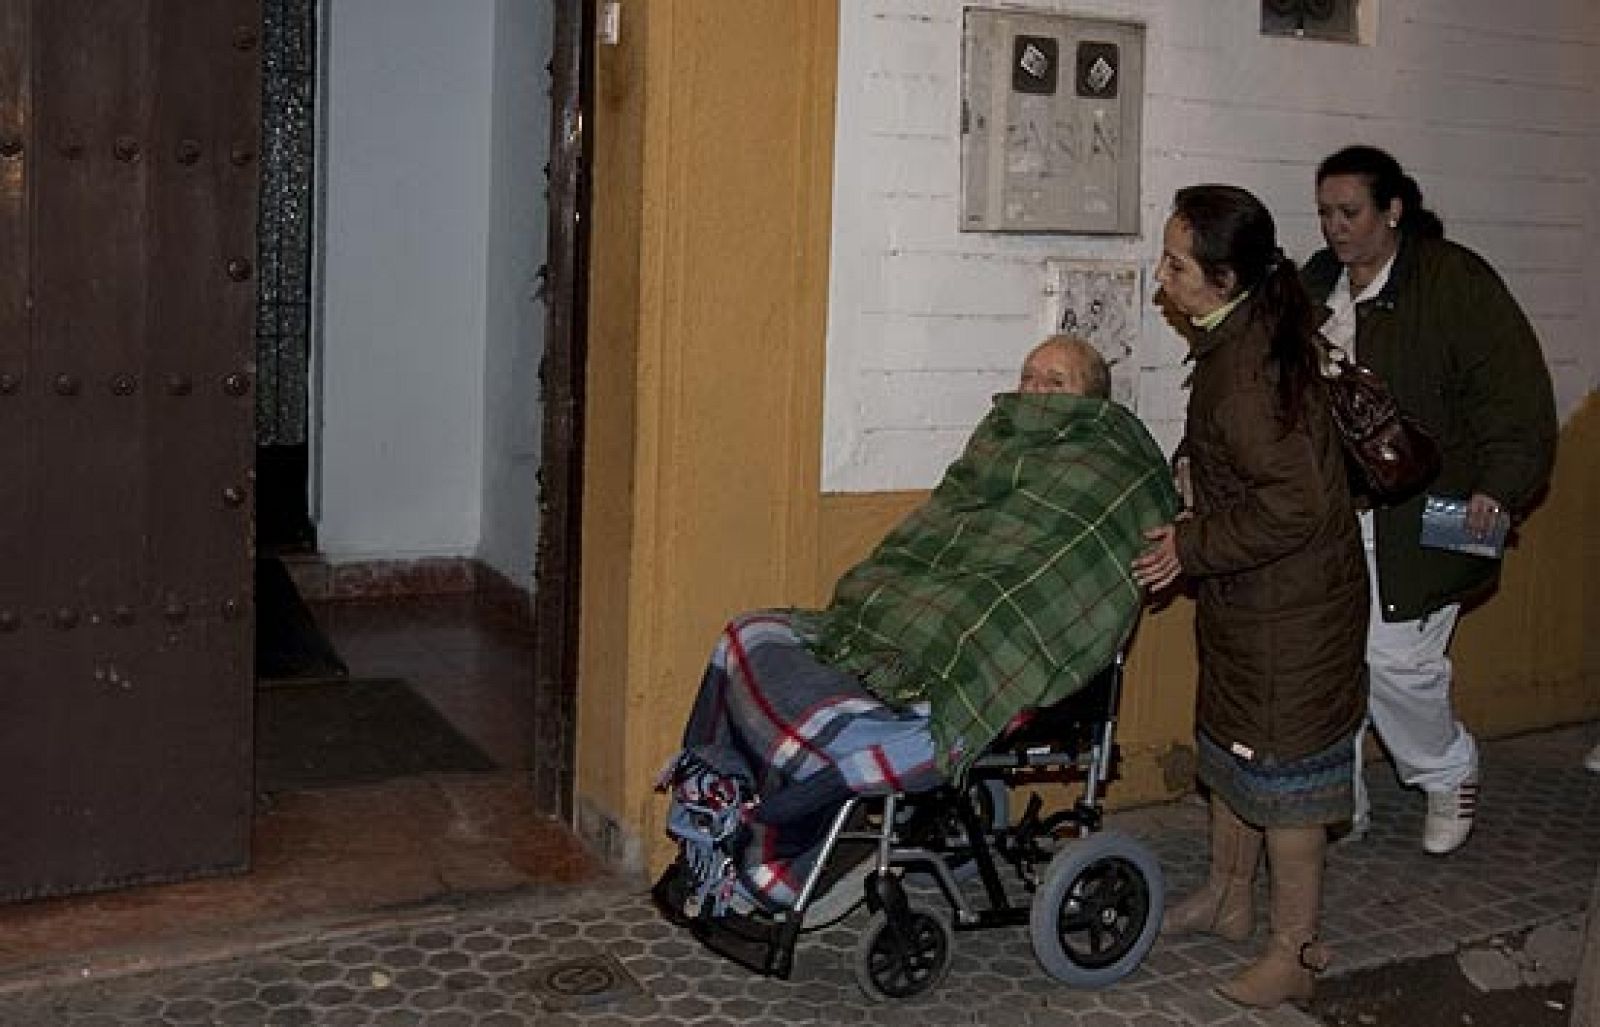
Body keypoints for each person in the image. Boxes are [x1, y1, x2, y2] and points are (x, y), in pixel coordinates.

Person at [656, 336, 1179, 917]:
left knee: (975, 614)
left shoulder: (1113, 474)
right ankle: (725, 812)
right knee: (750, 636)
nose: (1034, 393)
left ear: (1094, 402)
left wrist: (969, 608)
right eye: (1028, 378)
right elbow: (946, 531)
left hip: (984, 642)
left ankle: (778, 863)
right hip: (902, 629)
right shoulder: (997, 442)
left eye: (1055, 384)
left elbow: (1052, 583)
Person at [1133, 185, 1367, 1009]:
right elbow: (1239, 458)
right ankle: (1231, 900)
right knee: (1234, 749)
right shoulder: (1238, 337)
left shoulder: (1249, 367)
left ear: (1224, 278)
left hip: (1293, 611)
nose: (1161, 278)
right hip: (1254, 599)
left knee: (1288, 776)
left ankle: (1294, 948)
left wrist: (1190, 546)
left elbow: (1295, 504)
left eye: (1175, 264)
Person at [1302, 145, 1558, 854]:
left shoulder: (1456, 281)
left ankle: (1448, 771)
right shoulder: (1316, 285)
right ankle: (1338, 797)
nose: (1335, 227)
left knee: (1396, 659)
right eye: (1325, 212)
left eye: (1350, 212)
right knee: (1334, 658)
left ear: (1393, 209)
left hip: (1451, 506)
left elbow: (1514, 395)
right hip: (1341, 514)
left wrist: (1501, 488)